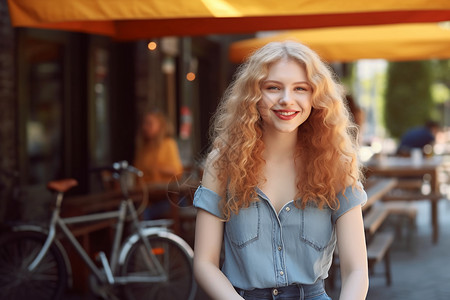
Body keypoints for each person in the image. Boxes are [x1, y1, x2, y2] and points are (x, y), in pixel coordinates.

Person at [193, 41, 368, 300]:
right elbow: (204, 263)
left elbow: (357, 271)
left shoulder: (336, 164)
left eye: (301, 88)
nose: (287, 100)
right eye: (273, 87)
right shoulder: (223, 163)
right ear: (253, 95)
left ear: (315, 97)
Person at [134, 110, 183, 219]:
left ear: (160, 126)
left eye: (149, 123)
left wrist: (156, 168)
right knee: (134, 211)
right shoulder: (143, 148)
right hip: (147, 198)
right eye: (144, 123)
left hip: (168, 198)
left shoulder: (168, 144)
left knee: (144, 214)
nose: (145, 127)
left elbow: (177, 171)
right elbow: (137, 175)